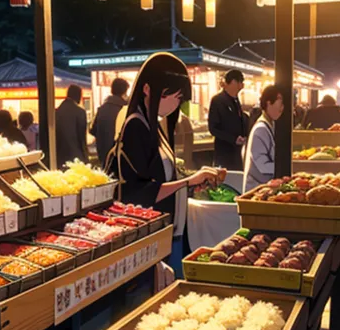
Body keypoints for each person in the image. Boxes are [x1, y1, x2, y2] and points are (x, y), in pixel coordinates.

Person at [107, 52, 223, 231]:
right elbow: (140, 193)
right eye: (169, 96)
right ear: (146, 89)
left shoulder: (152, 123)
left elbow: (162, 179)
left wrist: (195, 177)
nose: (174, 104)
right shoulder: (135, 126)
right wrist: (189, 181)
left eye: (178, 98)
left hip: (162, 225)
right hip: (148, 228)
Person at [243, 84, 284, 193]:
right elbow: (263, 166)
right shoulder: (260, 130)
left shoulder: (270, 125)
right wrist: (286, 167)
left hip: (265, 189)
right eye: (280, 101)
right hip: (256, 191)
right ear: (268, 103)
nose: (282, 107)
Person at [209, 69, 248, 170]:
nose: (242, 86)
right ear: (233, 82)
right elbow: (213, 128)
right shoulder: (218, 100)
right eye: (240, 82)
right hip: (224, 153)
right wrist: (233, 139)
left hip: (237, 152)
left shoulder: (235, 100)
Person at [90, 78, 129, 166]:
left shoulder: (101, 109)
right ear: (124, 92)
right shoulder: (124, 109)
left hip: (103, 155)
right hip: (118, 157)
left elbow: (92, 130)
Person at [55, 85, 88, 168]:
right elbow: (82, 138)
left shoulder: (57, 112)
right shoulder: (80, 112)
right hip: (76, 156)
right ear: (79, 96)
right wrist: (86, 158)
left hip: (59, 157)